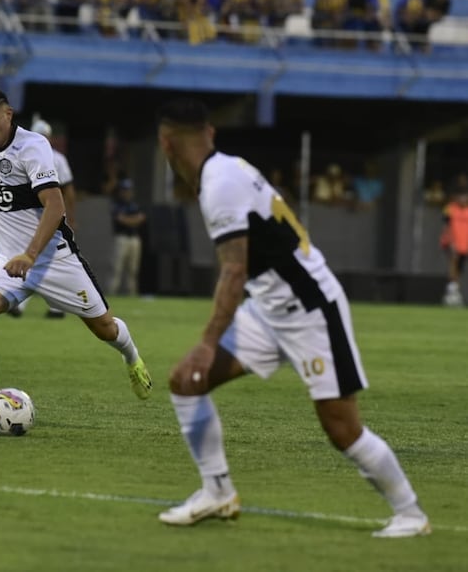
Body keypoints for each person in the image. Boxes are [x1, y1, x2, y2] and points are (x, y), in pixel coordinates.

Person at [154, 97, 430, 538]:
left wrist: (209, 340)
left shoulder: (219, 184)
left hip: (310, 309)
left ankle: (411, 514)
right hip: (268, 309)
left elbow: (234, 269)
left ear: (165, 144)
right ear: (210, 132)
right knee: (187, 379)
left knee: (342, 429)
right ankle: (217, 492)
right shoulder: (229, 168)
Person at [0, 86, 152, 420]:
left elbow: (55, 206)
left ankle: (133, 359)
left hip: (52, 260)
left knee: (105, 328)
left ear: (8, 114)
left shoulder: (33, 147)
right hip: (7, 263)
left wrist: (29, 256)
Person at [8, 117, 77, 319]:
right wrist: (71, 217)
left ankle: (26, 304)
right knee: (51, 261)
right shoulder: (57, 158)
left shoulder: (21, 155)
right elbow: (69, 191)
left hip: (32, 217)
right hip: (50, 217)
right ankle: (55, 308)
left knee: (35, 259)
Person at [109, 177, 146, 296]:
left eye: (128, 190)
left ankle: (132, 294)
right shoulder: (116, 204)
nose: (127, 193)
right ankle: (112, 293)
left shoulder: (134, 205)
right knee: (117, 268)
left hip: (134, 238)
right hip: (122, 238)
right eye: (124, 190)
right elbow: (121, 219)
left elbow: (142, 218)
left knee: (133, 269)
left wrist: (129, 220)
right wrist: (133, 220)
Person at [440, 175, 468, 307]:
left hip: (464, 245)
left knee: (459, 268)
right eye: (461, 196)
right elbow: (446, 226)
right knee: (453, 263)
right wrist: (451, 242)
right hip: (451, 243)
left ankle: (453, 290)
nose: (463, 199)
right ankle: (452, 292)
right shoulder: (450, 208)